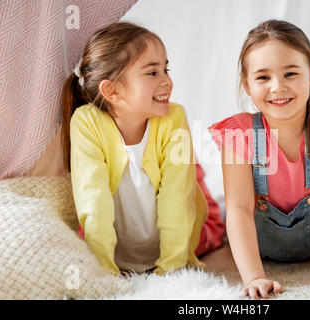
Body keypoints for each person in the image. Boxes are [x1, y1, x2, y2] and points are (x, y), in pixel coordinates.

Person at [208, 19, 310, 299]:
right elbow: (240, 209)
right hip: (260, 246)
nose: (277, 87)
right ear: (247, 84)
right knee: (227, 210)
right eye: (263, 77)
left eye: (291, 73)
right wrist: (254, 278)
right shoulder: (239, 132)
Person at [61, 21, 225, 276]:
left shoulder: (173, 117)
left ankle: (202, 183)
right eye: (152, 73)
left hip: (175, 243)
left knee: (204, 211)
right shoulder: (86, 123)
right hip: (119, 249)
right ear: (112, 90)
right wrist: (104, 270)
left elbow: (177, 199)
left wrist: (171, 267)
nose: (167, 81)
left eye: (166, 69)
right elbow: (92, 200)